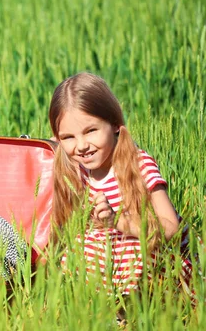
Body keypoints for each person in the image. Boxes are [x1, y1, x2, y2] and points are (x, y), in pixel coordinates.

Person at [48, 72, 193, 295]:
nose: (82, 145)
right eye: (69, 137)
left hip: (148, 251)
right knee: (76, 249)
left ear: (115, 124)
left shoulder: (139, 164)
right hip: (110, 254)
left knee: (133, 254)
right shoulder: (78, 169)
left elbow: (170, 227)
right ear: (58, 138)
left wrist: (118, 221)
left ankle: (131, 310)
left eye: (91, 131)